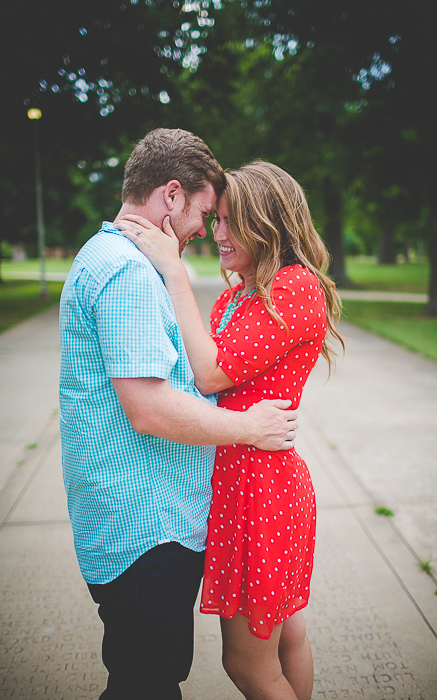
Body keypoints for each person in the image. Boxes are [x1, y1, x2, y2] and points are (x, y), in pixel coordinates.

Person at [59, 129, 300, 700]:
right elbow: (148, 408)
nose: (205, 230)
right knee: (147, 683)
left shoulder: (115, 257)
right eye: (203, 212)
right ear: (171, 195)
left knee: (143, 677)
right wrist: (251, 427)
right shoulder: (128, 272)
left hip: (139, 522)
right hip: (146, 528)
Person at [117, 160, 343, 700]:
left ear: (267, 222)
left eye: (229, 222)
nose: (216, 234)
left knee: (247, 664)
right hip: (244, 480)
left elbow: (212, 371)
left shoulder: (294, 288)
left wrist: (173, 271)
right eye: (215, 220)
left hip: (260, 491)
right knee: (287, 637)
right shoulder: (238, 292)